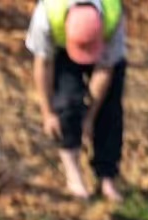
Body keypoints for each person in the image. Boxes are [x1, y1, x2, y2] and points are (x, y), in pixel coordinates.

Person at [27, 0, 127, 201]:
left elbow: (105, 69)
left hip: (103, 48)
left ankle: (106, 176)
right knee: (67, 102)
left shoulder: (113, 15)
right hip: (63, 49)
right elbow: (43, 65)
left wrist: (90, 117)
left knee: (111, 109)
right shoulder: (46, 16)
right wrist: (48, 113)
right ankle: (73, 174)